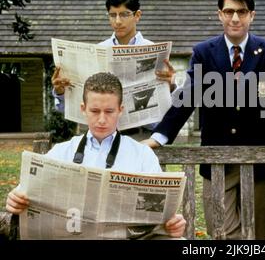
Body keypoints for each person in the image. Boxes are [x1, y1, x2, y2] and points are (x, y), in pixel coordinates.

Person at [142, 0, 265, 239]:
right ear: (220, 15)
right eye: (229, 12)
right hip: (217, 157)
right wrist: (160, 136)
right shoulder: (204, 52)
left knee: (261, 233)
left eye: (242, 12)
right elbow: (188, 96)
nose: (235, 18)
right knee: (222, 233)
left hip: (260, 158)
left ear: (252, 16)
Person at [6, 72, 186, 239]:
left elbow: (163, 213)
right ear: (83, 109)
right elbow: (23, 193)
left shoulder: (142, 155)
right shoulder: (61, 152)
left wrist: (173, 224)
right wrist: (15, 199)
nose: (101, 119)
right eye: (94, 111)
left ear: (121, 110)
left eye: (109, 112)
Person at [51, 0, 176, 120]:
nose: (117, 21)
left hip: (146, 135)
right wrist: (60, 92)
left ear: (137, 15)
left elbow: (172, 112)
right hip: (105, 132)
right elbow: (66, 110)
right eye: (112, 15)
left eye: (124, 14)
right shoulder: (98, 50)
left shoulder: (156, 52)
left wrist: (171, 86)